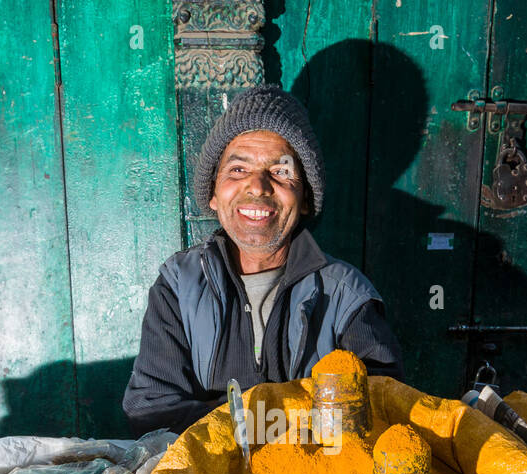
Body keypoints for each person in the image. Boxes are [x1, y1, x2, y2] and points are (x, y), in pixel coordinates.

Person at [122, 85, 403, 435]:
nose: (258, 186)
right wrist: (284, 421)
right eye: (238, 170)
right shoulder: (180, 283)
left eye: (281, 171)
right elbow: (151, 411)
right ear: (213, 193)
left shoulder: (347, 295)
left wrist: (253, 423)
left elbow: (382, 411)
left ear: (304, 200)